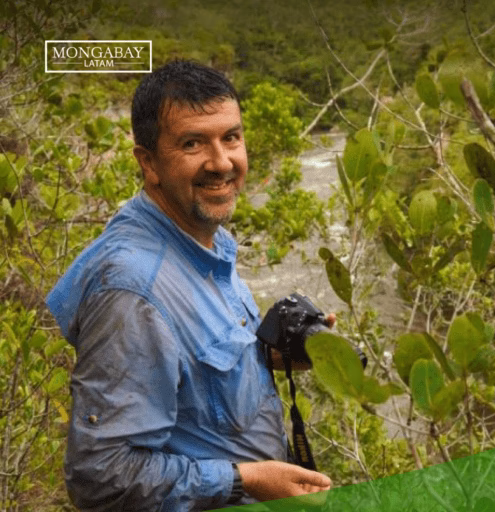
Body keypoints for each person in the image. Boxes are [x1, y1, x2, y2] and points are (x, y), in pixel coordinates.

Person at [46, 60, 332, 510]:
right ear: (149, 162)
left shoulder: (203, 237)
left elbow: (193, 373)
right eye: (193, 143)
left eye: (231, 137)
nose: (221, 163)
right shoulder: (132, 290)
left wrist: (274, 355)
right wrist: (246, 480)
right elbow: (100, 475)